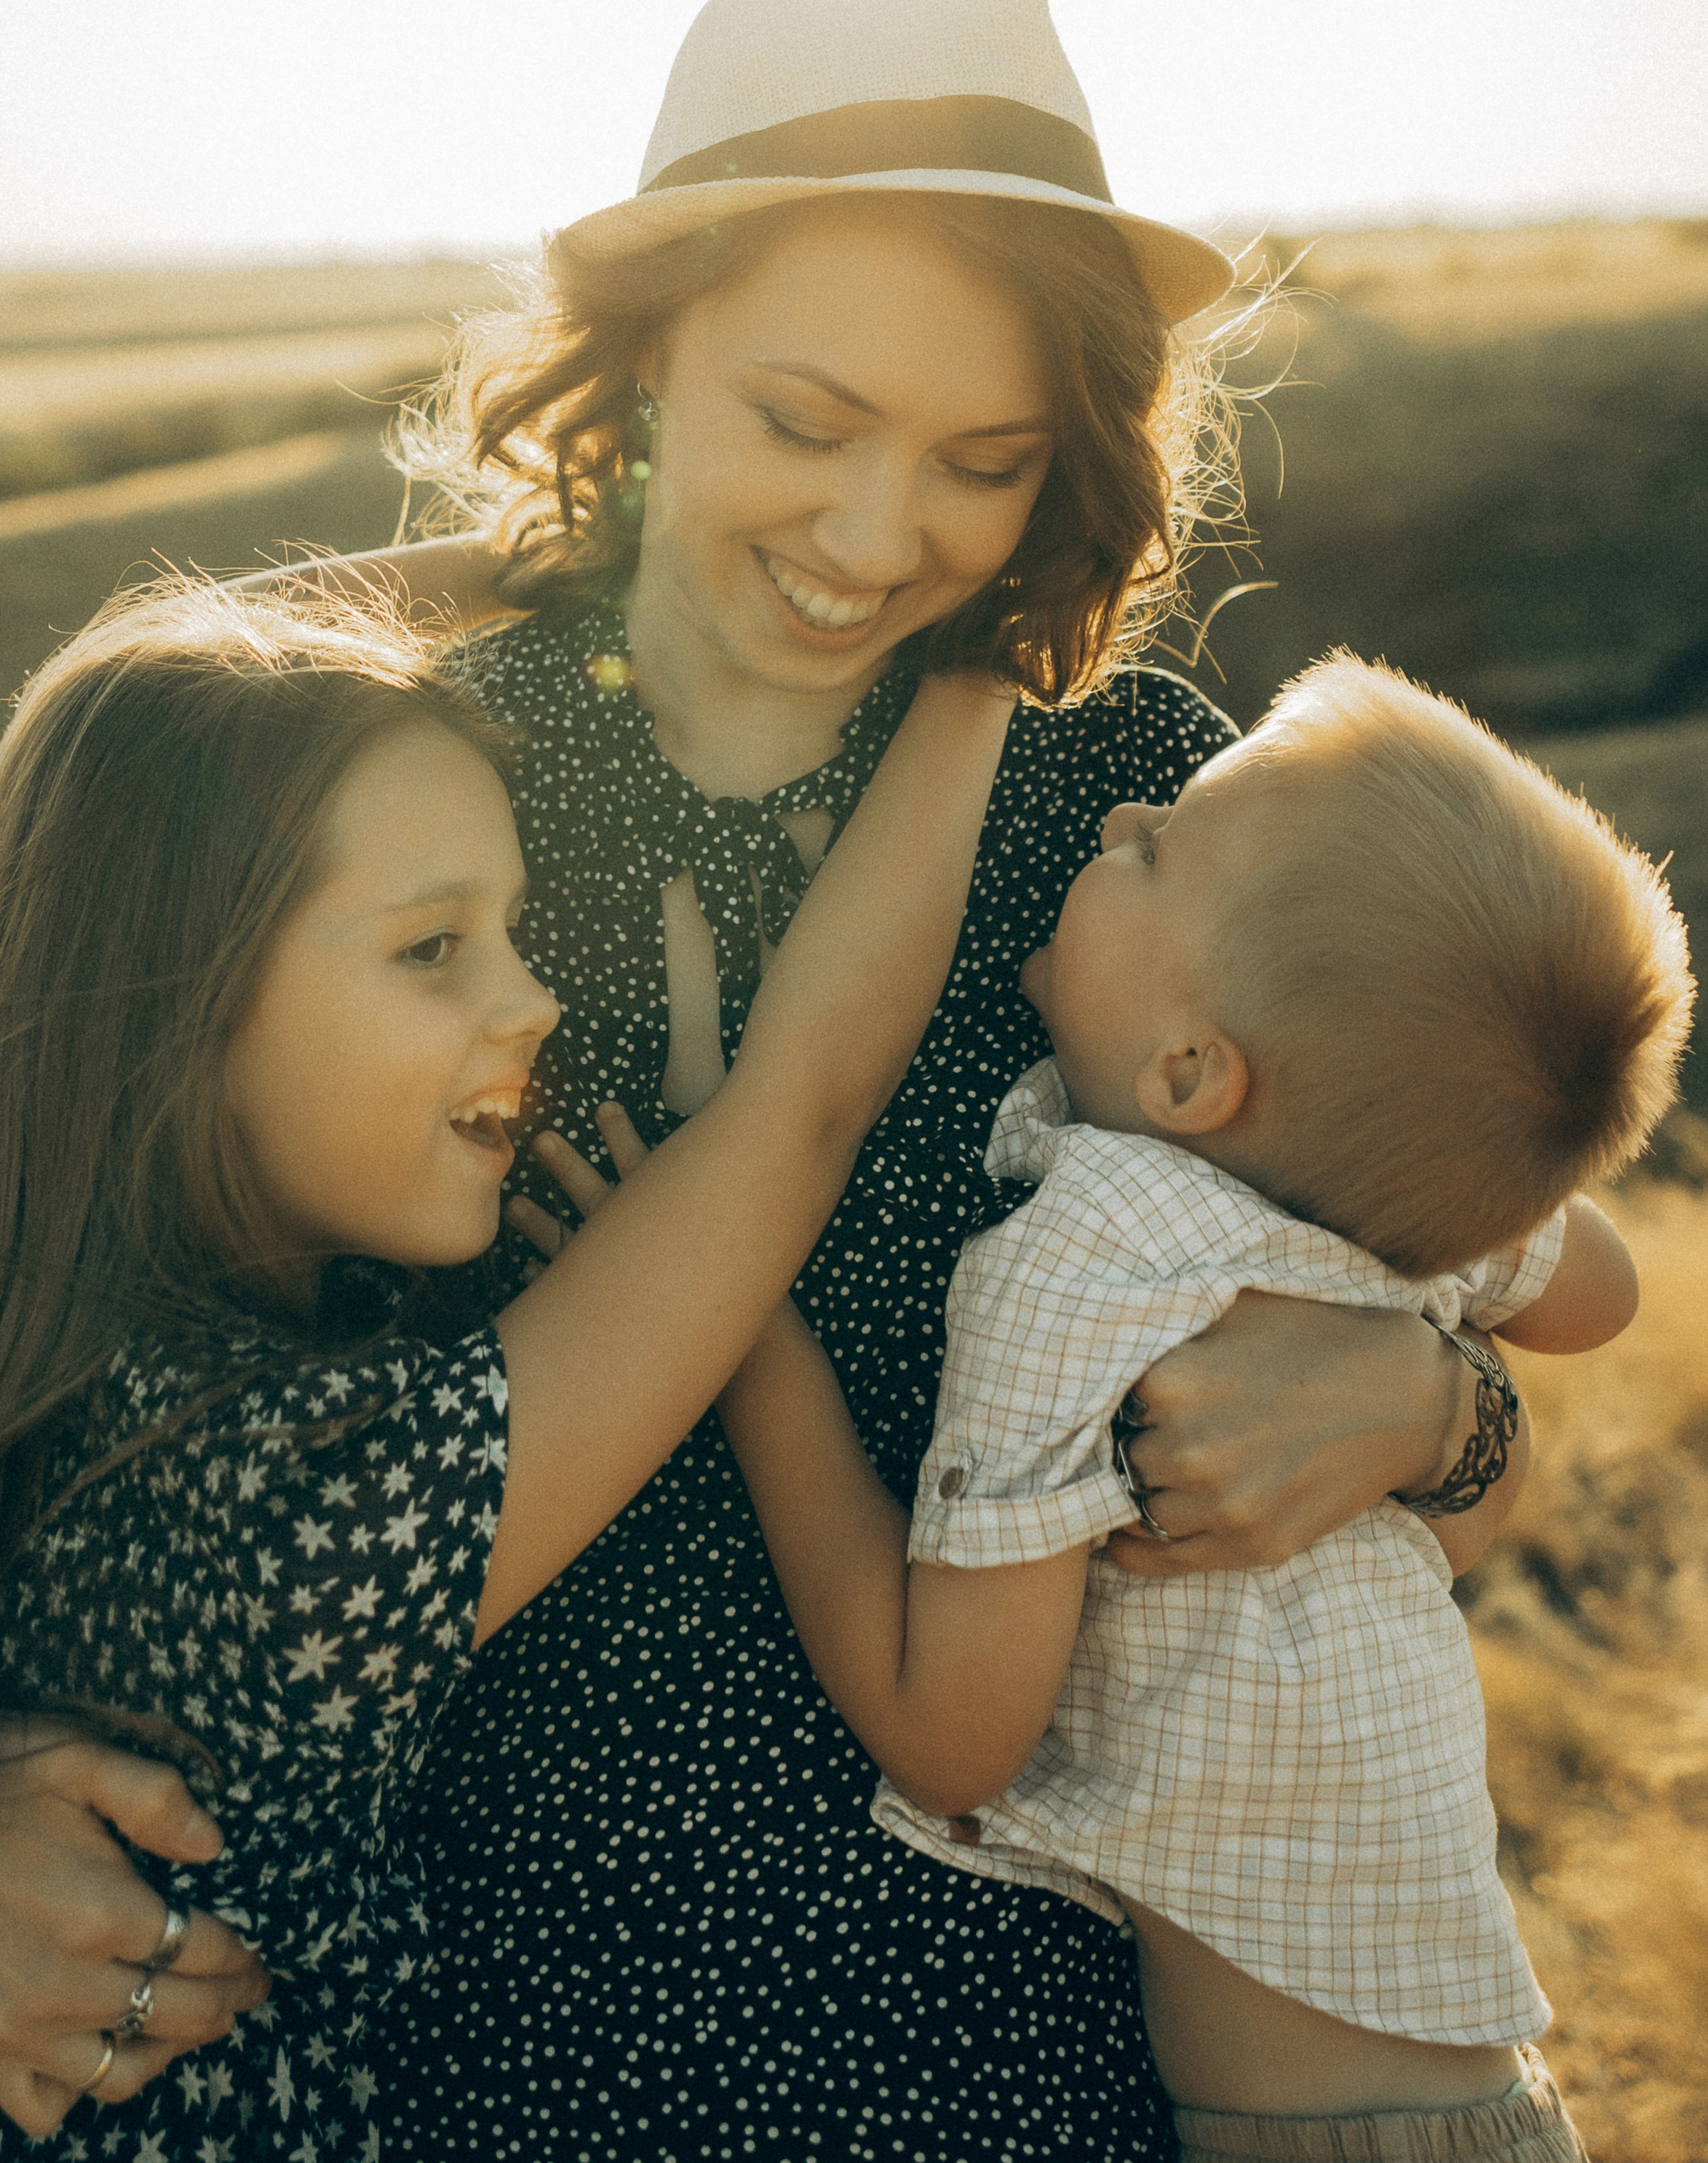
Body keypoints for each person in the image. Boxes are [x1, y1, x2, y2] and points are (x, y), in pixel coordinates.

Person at [0, 0, 1545, 2161]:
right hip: (492, 2056)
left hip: (1045, 2048)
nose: (871, 538)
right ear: (645, 363)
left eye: (978, 461)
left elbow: (1462, 1234)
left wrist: (1436, 1405)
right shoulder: (412, 791)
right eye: (799, 423)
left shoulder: (1127, 801)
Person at [0, 581, 1011, 2154]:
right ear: (170, 1002)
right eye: (434, 947)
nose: (530, 1000)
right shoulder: (294, 1501)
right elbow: (799, 1100)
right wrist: (987, 646)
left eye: (515, 932)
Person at [695, 656, 1691, 2163]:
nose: (1118, 815)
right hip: (1482, 2114)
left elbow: (947, 1735)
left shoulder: (1085, 1261)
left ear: (1186, 1069)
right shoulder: (1356, 1158)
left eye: (1152, 848)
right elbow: (1595, 1289)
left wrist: (741, 1323)